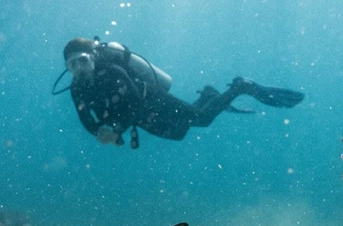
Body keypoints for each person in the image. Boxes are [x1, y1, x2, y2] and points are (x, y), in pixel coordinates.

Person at [55, 37, 304, 149]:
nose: (79, 69)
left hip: (152, 100)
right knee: (179, 133)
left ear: (95, 57)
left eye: (83, 61)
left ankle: (241, 86)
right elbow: (86, 120)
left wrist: (116, 129)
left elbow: (136, 104)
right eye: (72, 65)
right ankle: (208, 95)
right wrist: (100, 132)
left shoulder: (114, 71)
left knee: (202, 120)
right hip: (133, 118)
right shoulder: (78, 87)